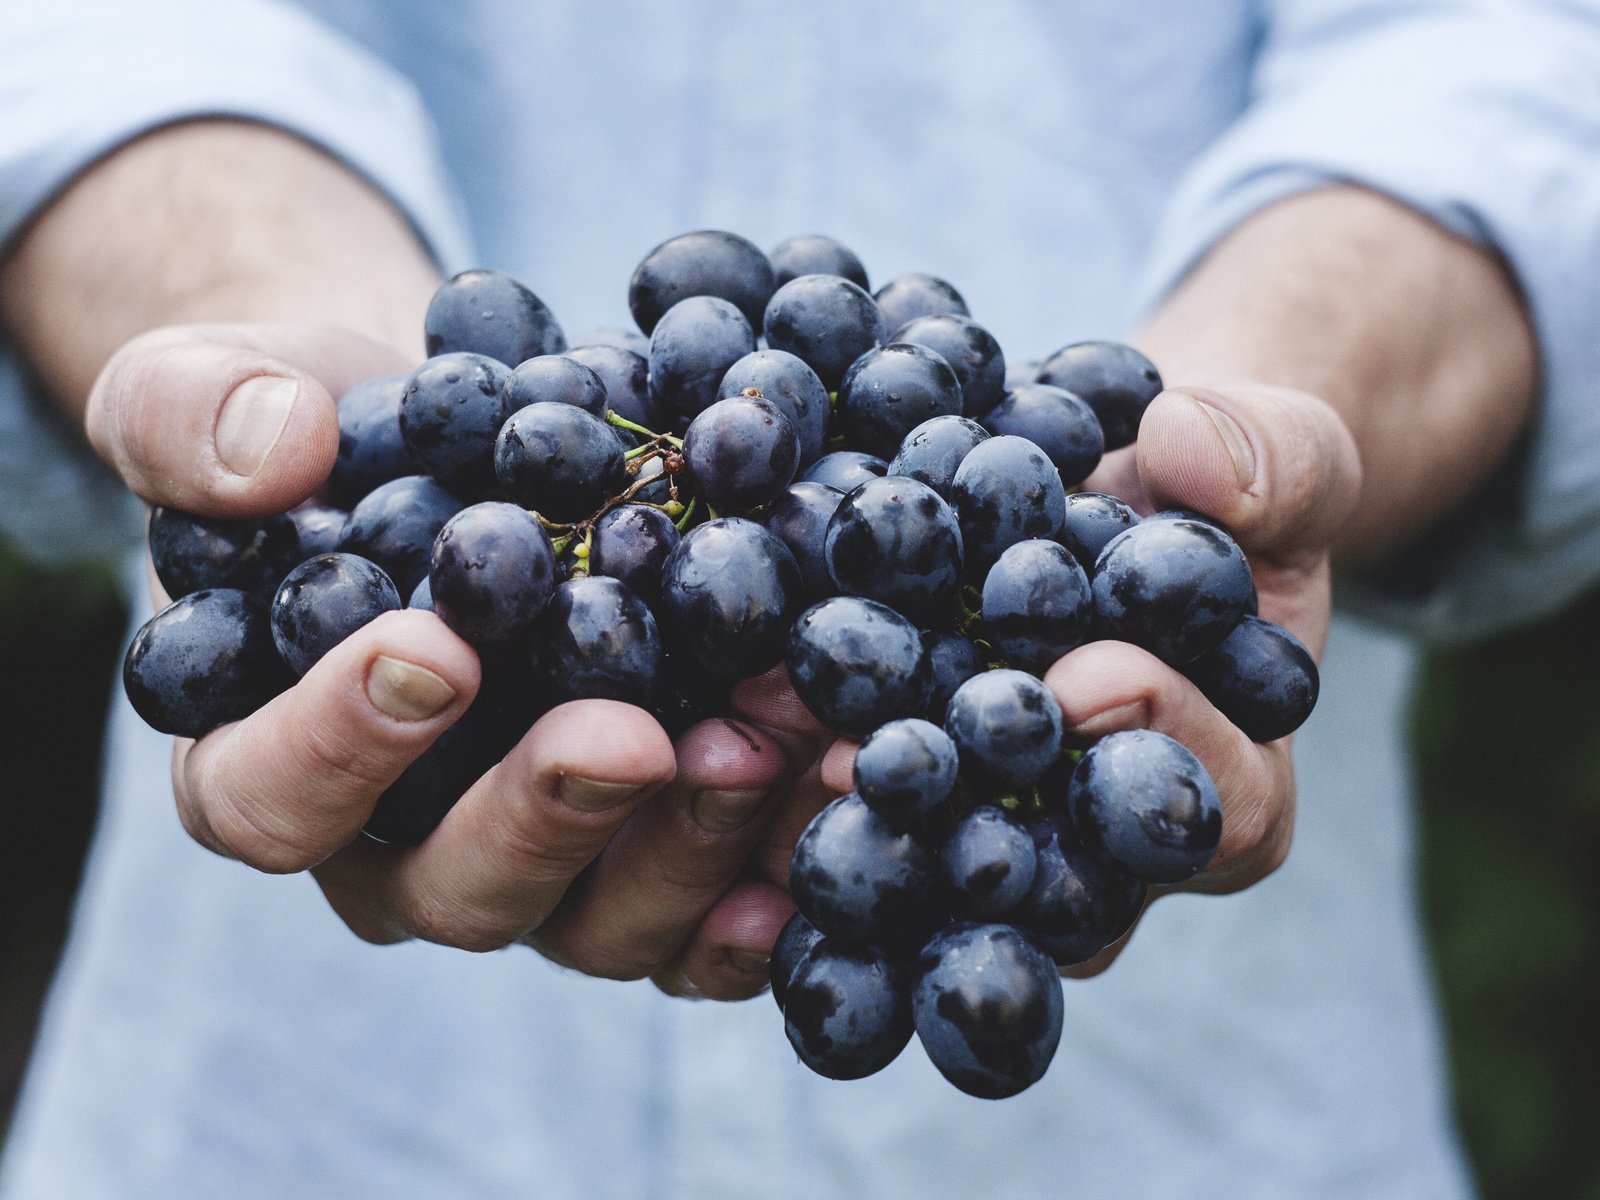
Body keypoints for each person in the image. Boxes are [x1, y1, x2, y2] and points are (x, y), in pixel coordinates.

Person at [0, 2, 1597, 1196]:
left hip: (1196, 1126)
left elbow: (1502, 65)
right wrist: (253, 331)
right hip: (296, 1119)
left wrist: (1270, 408)